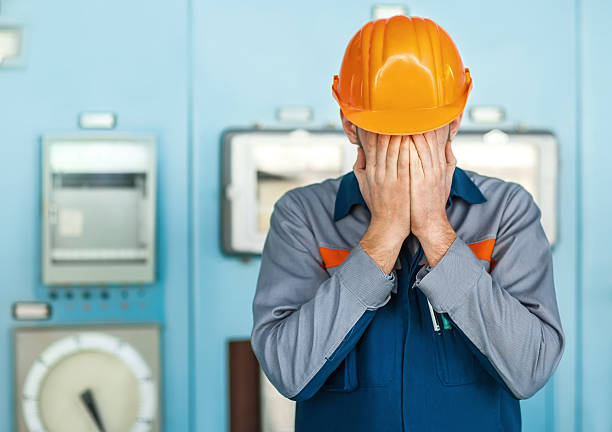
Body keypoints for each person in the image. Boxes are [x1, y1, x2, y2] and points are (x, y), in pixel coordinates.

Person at [251, 16, 564, 431]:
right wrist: (383, 234)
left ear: (453, 123)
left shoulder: (507, 211)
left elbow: (531, 368)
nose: (405, 149)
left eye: (422, 130)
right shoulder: (302, 217)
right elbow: (289, 371)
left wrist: (435, 230)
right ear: (350, 126)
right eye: (387, 132)